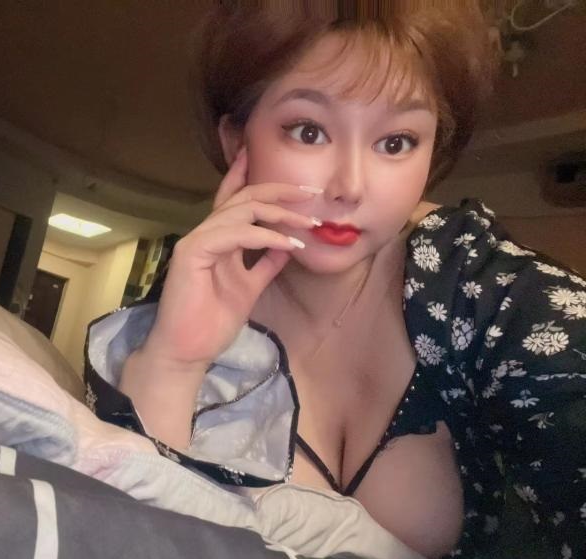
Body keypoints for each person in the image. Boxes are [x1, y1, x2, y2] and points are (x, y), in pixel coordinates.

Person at [84, 2, 586, 558]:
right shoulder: (194, 284)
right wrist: (175, 361)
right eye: (309, 131)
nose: (350, 186)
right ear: (236, 141)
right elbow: (113, 527)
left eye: (396, 142)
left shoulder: (483, 293)